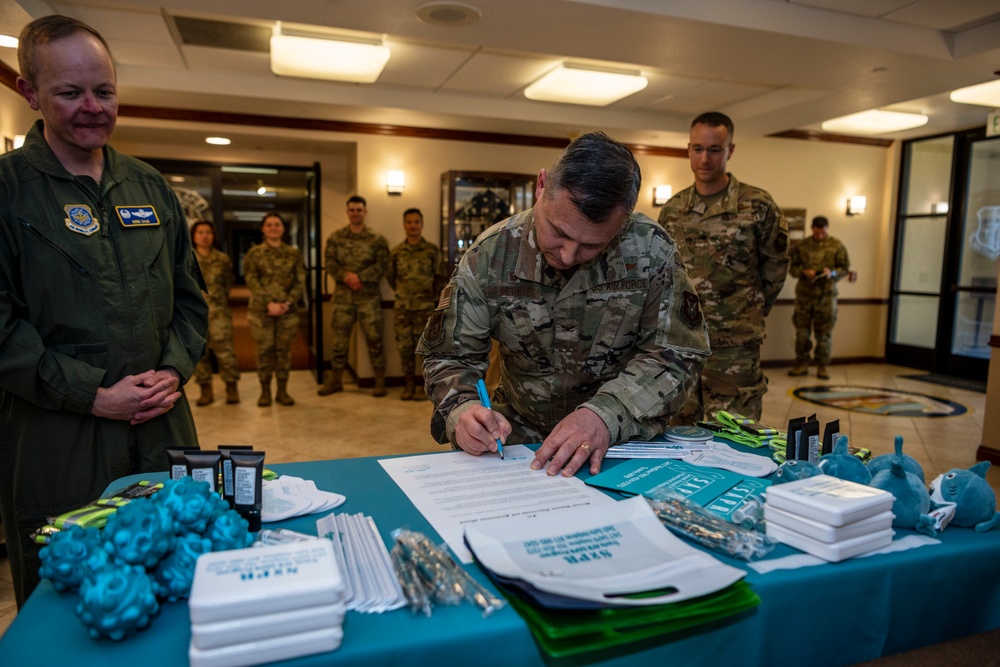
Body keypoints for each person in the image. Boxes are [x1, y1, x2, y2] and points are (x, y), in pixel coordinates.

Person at [0, 15, 207, 607]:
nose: (92, 107)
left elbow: (190, 300)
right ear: (29, 92)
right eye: (70, 93)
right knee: (68, 591)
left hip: (161, 424)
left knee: (173, 573)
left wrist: (173, 369)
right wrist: (93, 394)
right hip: (58, 433)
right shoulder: (8, 193)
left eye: (104, 91)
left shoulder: (150, 188)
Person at [419, 132, 710, 478]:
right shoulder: (490, 255)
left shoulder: (650, 251)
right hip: (518, 440)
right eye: (558, 231)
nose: (568, 255)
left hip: (620, 435)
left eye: (591, 245)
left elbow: (676, 354)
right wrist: (462, 409)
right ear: (541, 186)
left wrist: (605, 414)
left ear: (622, 222)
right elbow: (449, 357)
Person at [659, 111, 789, 423]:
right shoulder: (673, 209)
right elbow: (664, 274)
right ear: (688, 149)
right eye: (698, 149)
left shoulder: (757, 206)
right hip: (683, 345)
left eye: (715, 150)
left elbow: (775, 271)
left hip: (735, 348)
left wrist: (743, 313)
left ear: (730, 150)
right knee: (681, 432)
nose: (705, 159)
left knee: (735, 435)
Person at [318, 196, 391, 397]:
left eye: (359, 209)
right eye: (352, 210)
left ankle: (379, 381)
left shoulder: (377, 239)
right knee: (339, 342)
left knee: (375, 340)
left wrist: (360, 277)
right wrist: (347, 278)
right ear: (347, 211)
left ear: (365, 212)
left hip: (368, 298)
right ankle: (335, 381)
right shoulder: (336, 237)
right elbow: (330, 263)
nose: (355, 213)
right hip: (343, 298)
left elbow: (382, 265)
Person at [242, 213, 305, 407]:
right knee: (265, 352)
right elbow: (251, 279)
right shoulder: (254, 254)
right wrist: (268, 303)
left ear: (283, 229)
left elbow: (300, 280)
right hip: (262, 313)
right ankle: (265, 392)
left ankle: (282, 391)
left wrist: (287, 302)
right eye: (269, 225)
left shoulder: (293, 254)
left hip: (287, 313)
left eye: (277, 224)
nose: (273, 228)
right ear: (263, 229)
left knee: (284, 352)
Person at [387, 208, 448, 400]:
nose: (413, 226)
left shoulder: (432, 251)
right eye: (409, 222)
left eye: (416, 222)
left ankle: (424, 387)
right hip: (403, 308)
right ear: (404, 224)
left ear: (422, 224)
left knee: (426, 351)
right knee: (404, 348)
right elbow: (391, 277)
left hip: (425, 309)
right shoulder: (396, 252)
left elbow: (440, 278)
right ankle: (408, 385)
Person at [788, 216, 851, 379]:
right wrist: (803, 272)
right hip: (804, 296)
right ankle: (801, 364)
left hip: (826, 297)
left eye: (822, 233)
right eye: (817, 233)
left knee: (824, 334)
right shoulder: (802, 246)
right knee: (802, 332)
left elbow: (844, 268)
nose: (820, 236)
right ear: (812, 229)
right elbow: (792, 268)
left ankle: (822, 366)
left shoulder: (836, 245)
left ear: (827, 229)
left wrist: (832, 273)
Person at [191, 220, 241, 405]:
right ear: (194, 236)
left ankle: (231, 387)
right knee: (200, 353)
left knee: (226, 351)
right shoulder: (186, 259)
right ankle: (206, 390)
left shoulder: (222, 259)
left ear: (213, 236)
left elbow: (228, 284)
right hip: (194, 314)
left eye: (208, 233)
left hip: (219, 312)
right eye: (200, 232)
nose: (205, 236)